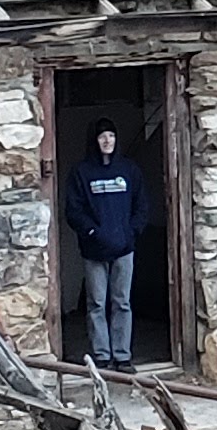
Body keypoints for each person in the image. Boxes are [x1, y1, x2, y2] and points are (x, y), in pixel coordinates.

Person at [63, 121, 155, 370]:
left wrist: (131, 233)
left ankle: (123, 355)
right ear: (95, 140)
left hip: (124, 248)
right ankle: (102, 355)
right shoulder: (81, 172)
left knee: (122, 302)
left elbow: (141, 206)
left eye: (112, 136)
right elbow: (74, 210)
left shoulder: (129, 169)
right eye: (103, 136)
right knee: (96, 304)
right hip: (94, 250)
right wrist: (92, 232)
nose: (107, 141)